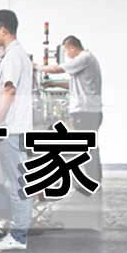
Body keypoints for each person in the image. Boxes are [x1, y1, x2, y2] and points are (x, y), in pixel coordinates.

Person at [0, 10, 34, 251]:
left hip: (10, 129)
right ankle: (17, 229)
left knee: (16, 183)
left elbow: (9, 90)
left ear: (4, 30)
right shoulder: (15, 55)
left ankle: (18, 236)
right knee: (13, 181)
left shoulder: (14, 56)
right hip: (14, 128)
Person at [40, 36, 103, 183]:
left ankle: (91, 180)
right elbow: (74, 85)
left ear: (72, 47)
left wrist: (36, 67)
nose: (67, 55)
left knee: (85, 146)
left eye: (66, 51)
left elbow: (57, 69)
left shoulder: (84, 57)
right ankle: (94, 178)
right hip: (89, 111)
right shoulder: (87, 60)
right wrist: (53, 84)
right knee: (89, 146)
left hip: (85, 111)